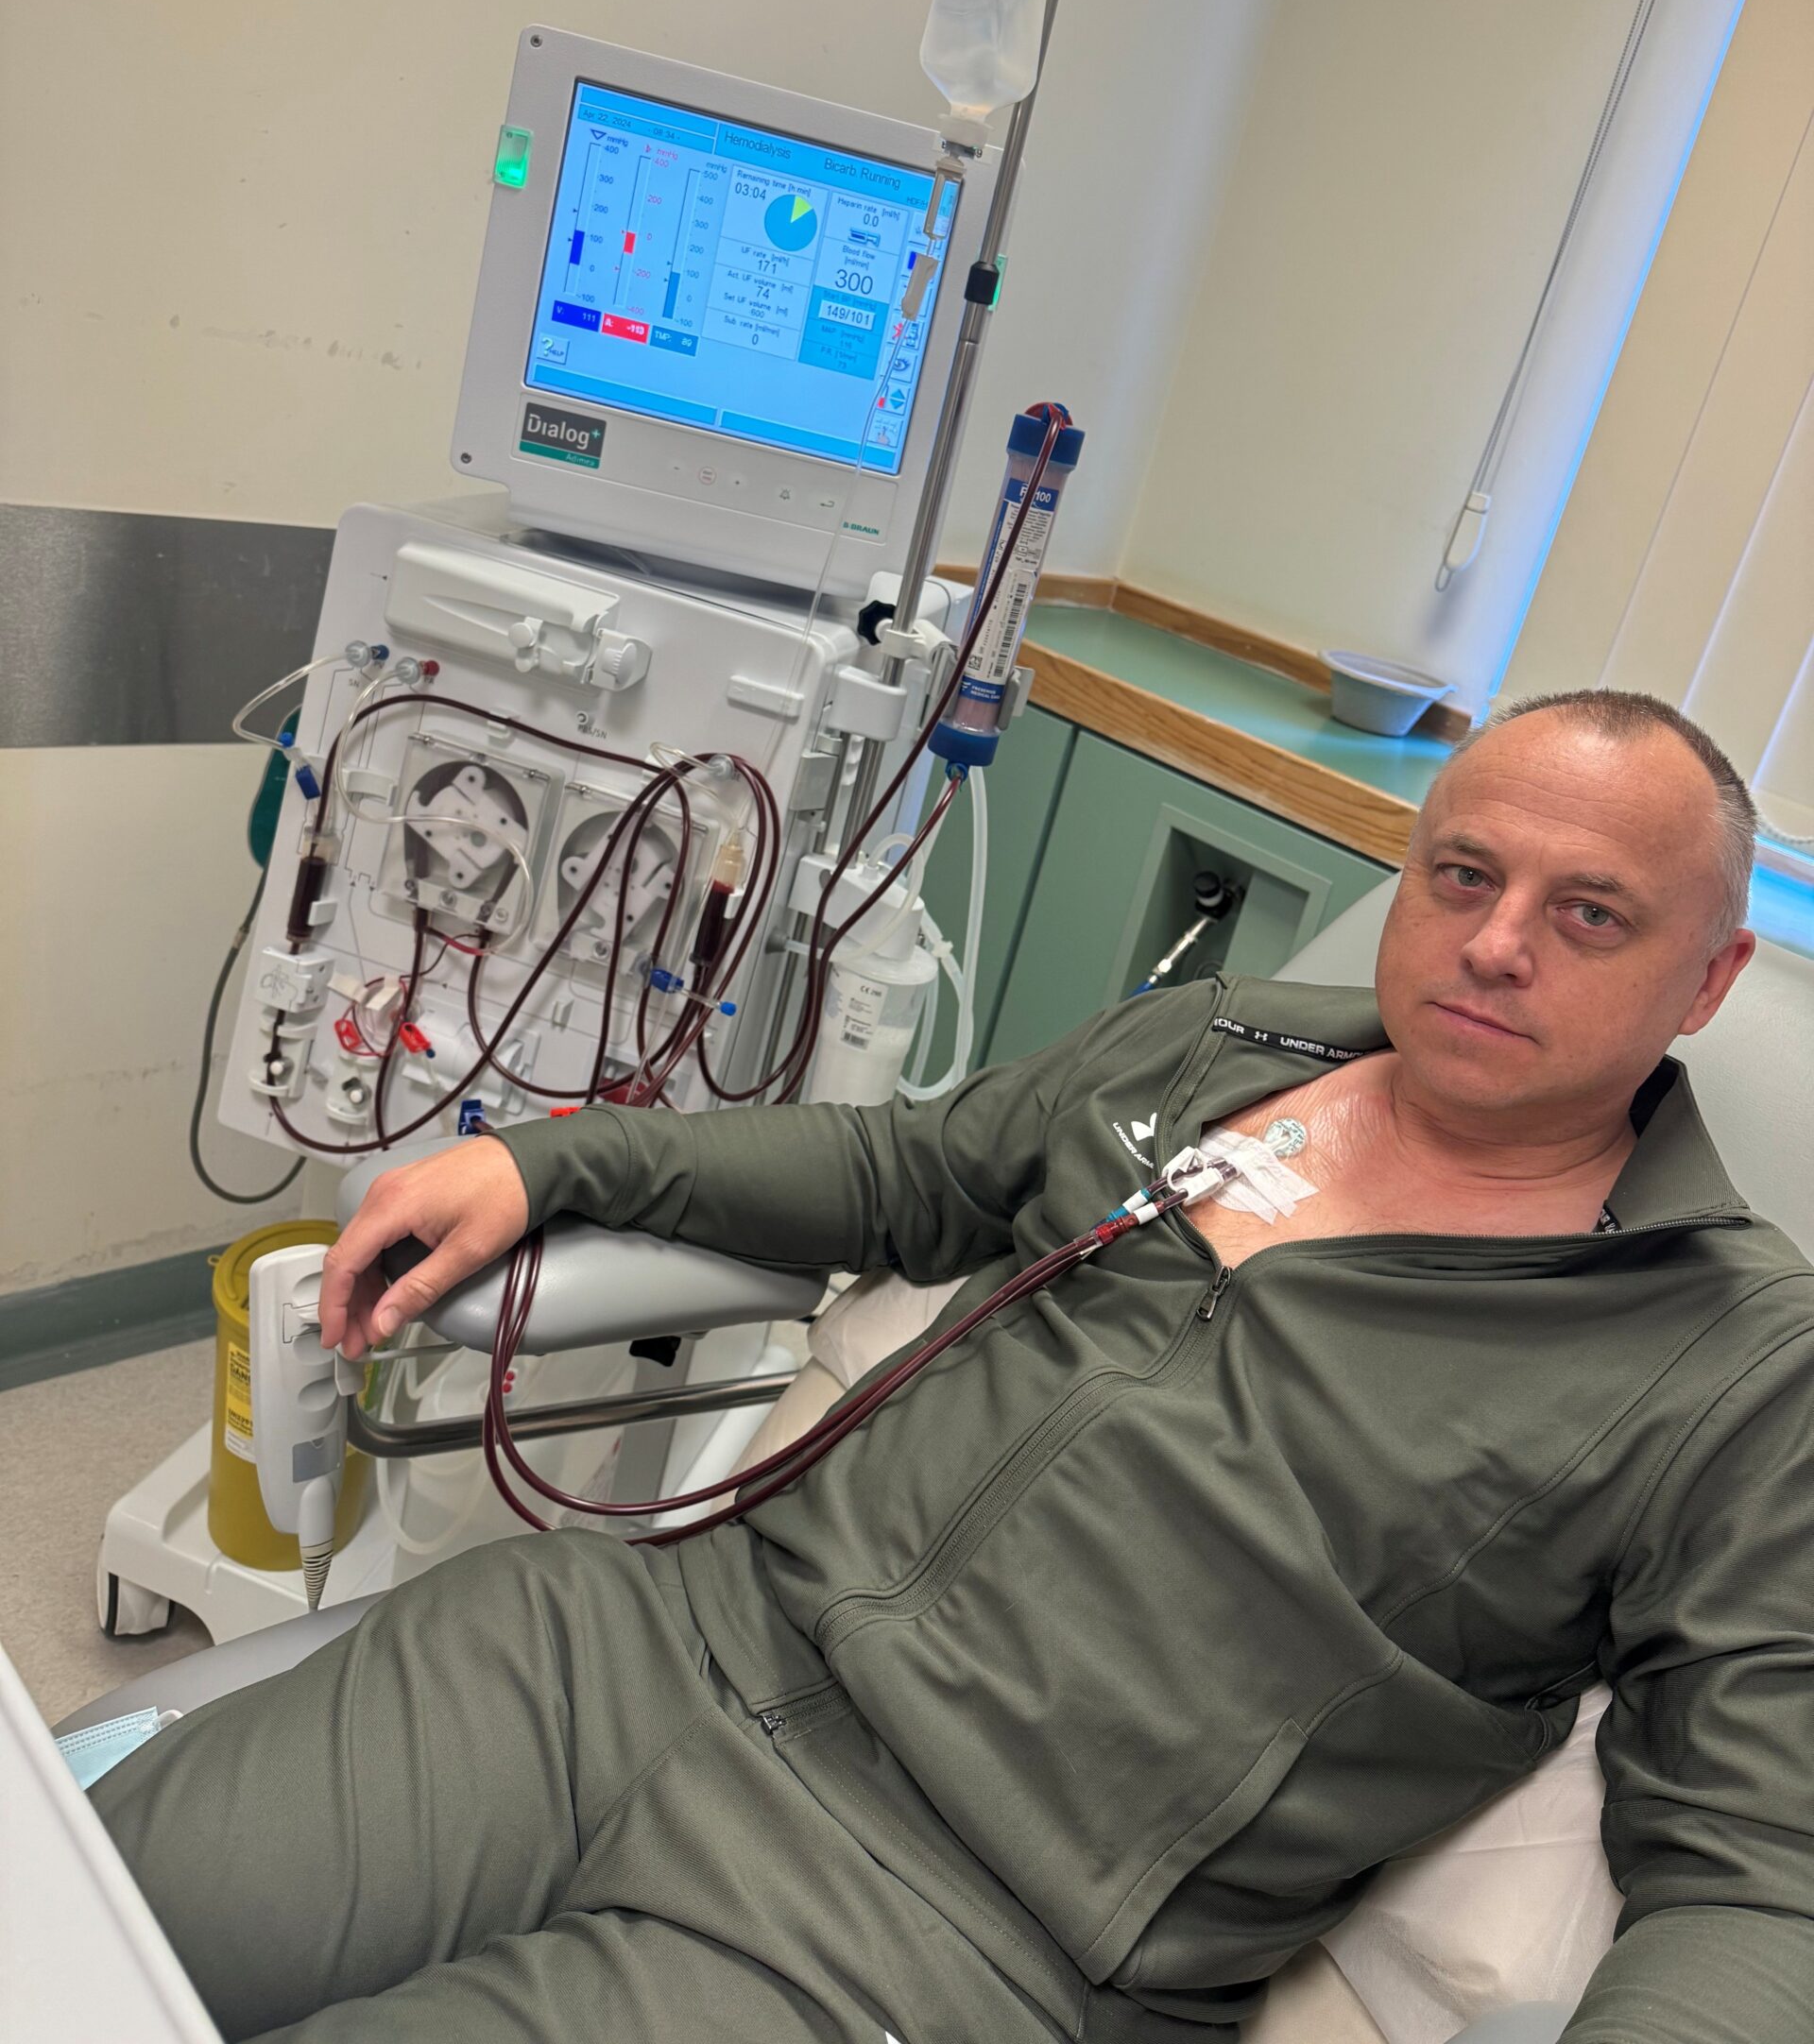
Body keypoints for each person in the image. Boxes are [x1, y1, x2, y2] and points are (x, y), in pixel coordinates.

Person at [94, 690, 1814, 2044]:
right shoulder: (1221, 1044)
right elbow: (909, 1176)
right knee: (71, 1928)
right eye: (1463, 875)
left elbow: (1761, 1874)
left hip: (937, 1927)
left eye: (1591, 914)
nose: (1497, 942)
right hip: (638, 1644)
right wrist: (564, 1162)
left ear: (1709, 978)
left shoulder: (1733, 1363)